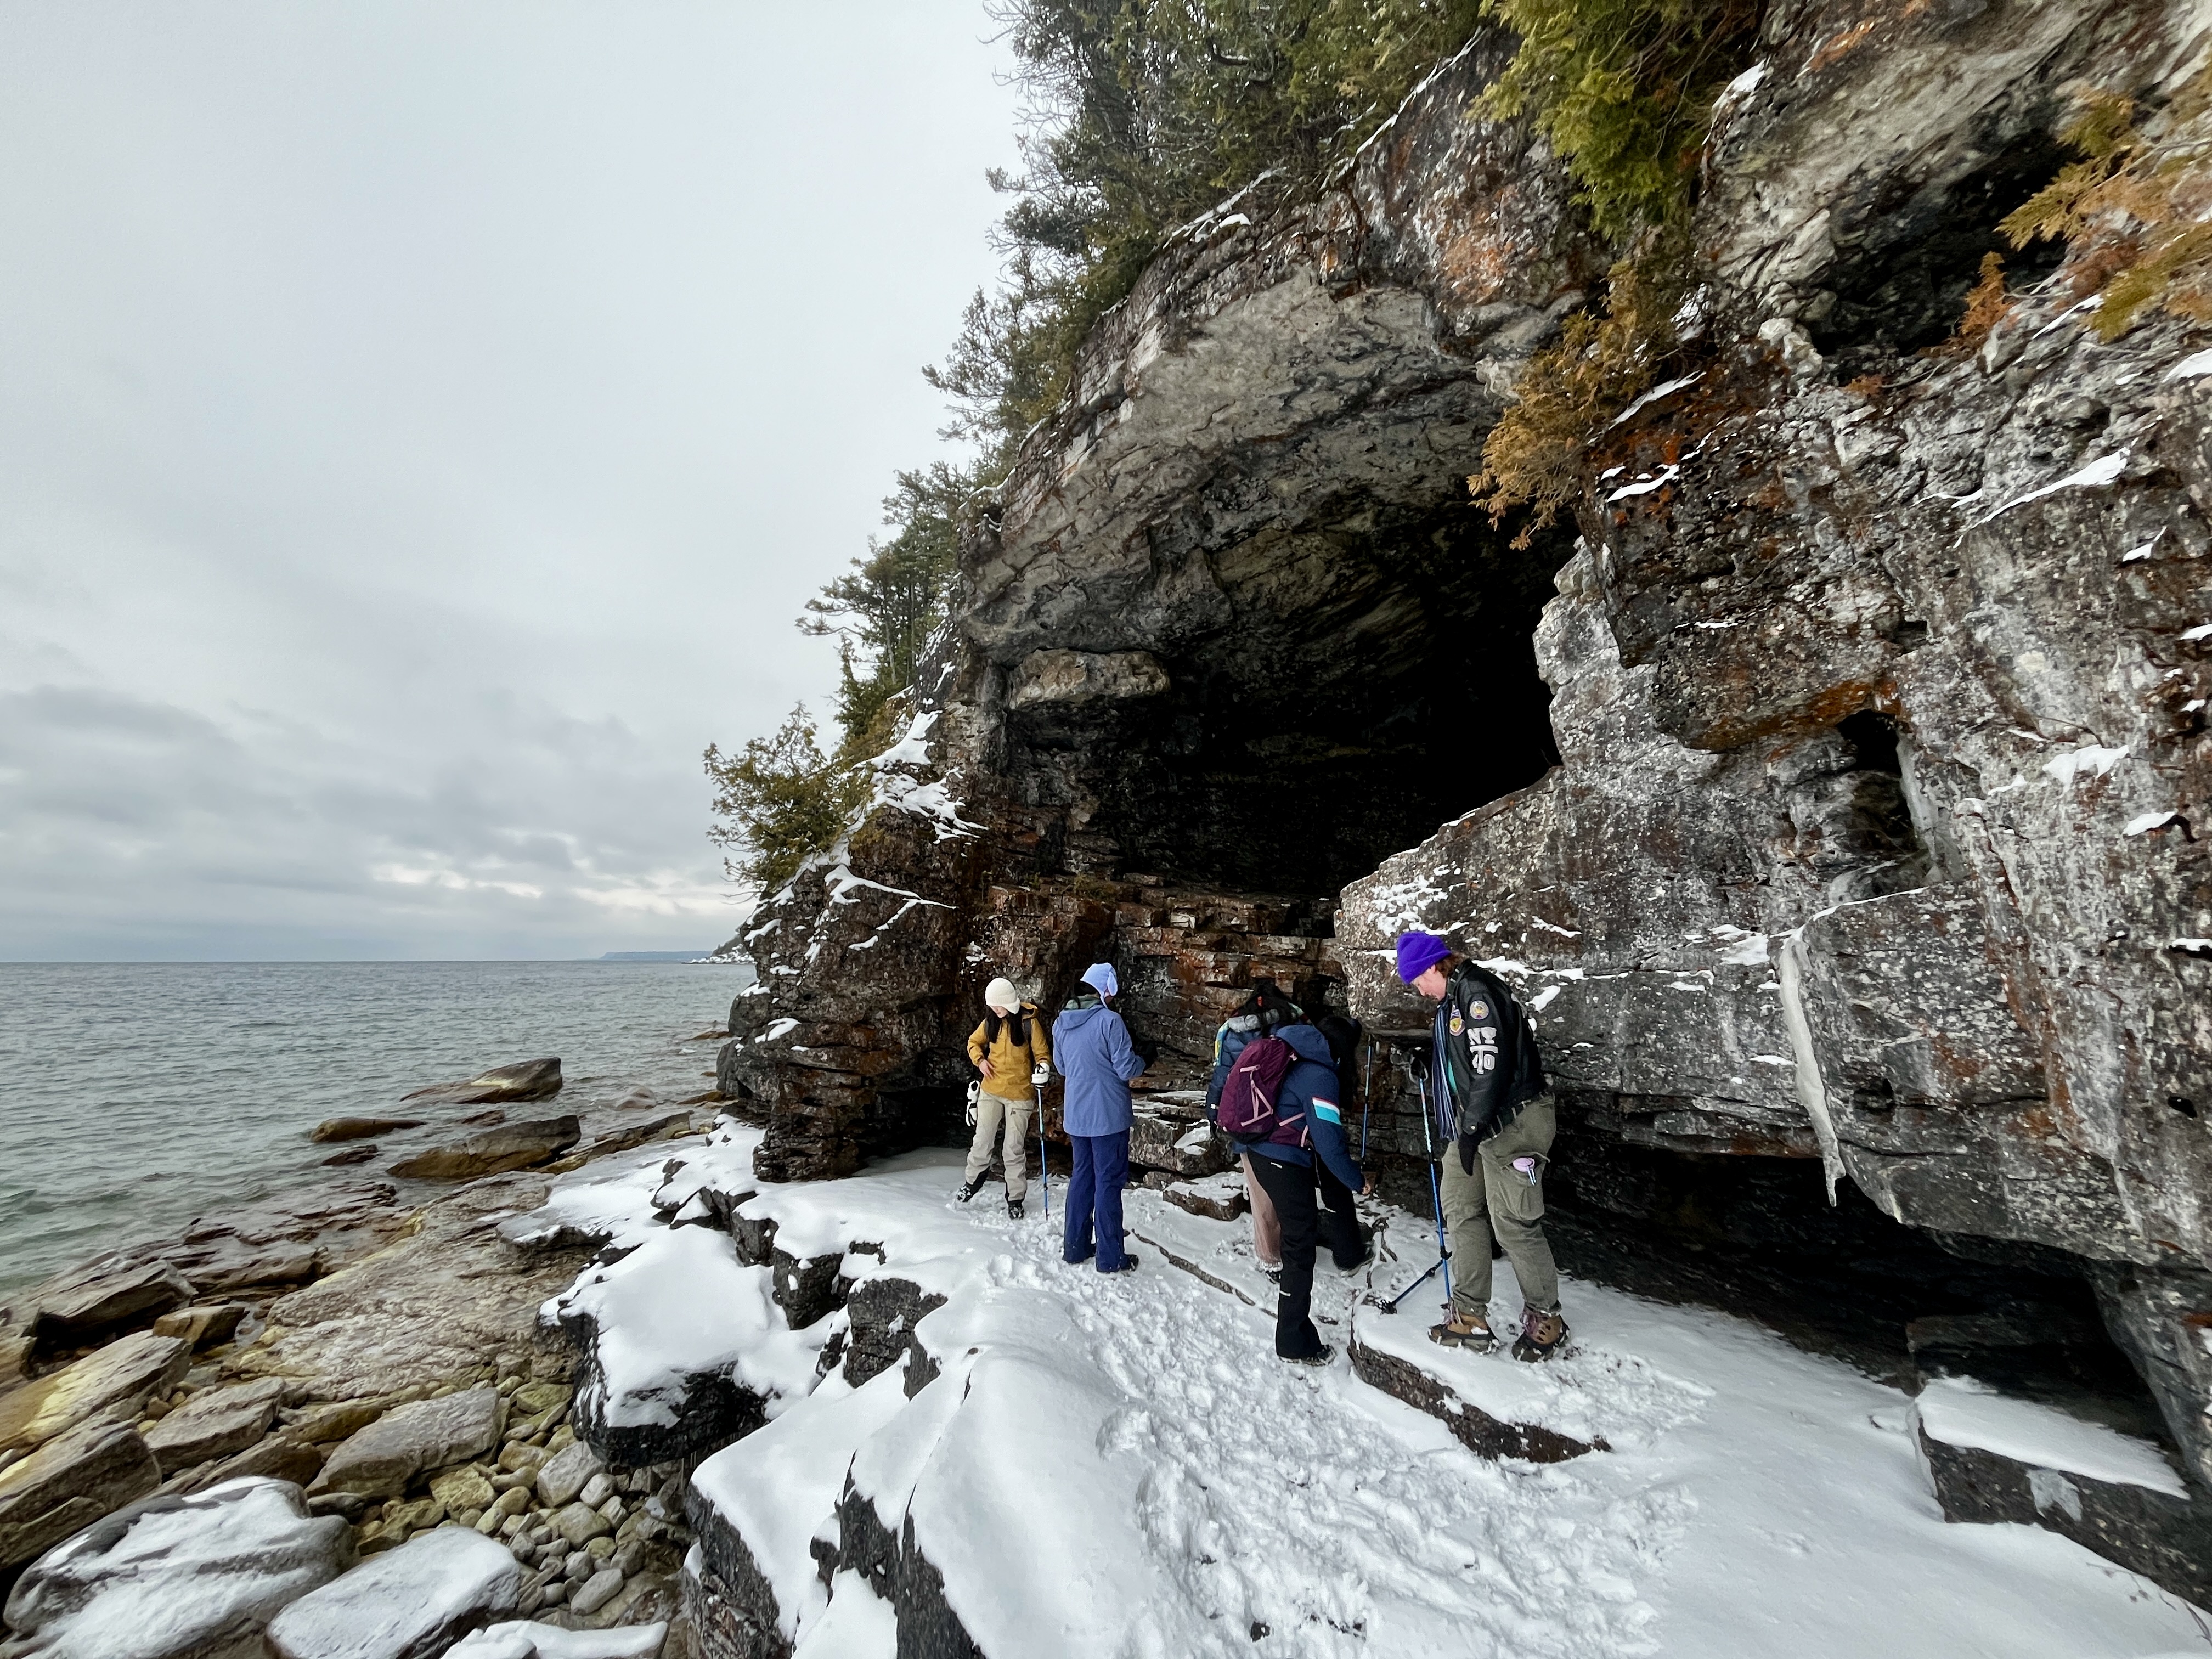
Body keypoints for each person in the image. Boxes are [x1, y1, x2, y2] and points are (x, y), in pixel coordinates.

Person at [1395, 929, 1565, 1361]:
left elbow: (1491, 1065)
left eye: (1419, 981)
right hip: (1473, 1124)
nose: (1421, 991)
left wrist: (1471, 1129)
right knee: (1460, 1207)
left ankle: (1547, 1318)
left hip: (1512, 1122)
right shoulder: (1452, 1001)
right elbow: (1466, 1059)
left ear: (1435, 966)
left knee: (1513, 1223)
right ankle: (1470, 1315)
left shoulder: (1477, 993)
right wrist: (1432, 1063)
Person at [1233, 1020, 1373, 1365]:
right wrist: (1358, 1182)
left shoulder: (1291, 1055)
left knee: (1298, 1239)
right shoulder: (1320, 1077)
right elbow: (1330, 1146)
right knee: (1299, 1247)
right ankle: (1293, 1341)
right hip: (1284, 1162)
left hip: (1261, 1153)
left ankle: (1294, 1334)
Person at [1205, 979, 1304, 1283]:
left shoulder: (1233, 1031)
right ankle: (1292, 1246)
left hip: (1248, 1121)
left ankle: (1269, 1257)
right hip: (1286, 1119)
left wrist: (1213, 1110)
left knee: (1260, 1194)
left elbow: (1223, 1075)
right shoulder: (1293, 1023)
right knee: (1289, 1187)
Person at [1052, 962, 1148, 1273]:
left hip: (1077, 1115)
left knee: (1082, 1177)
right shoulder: (1110, 1021)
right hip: (1108, 1117)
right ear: (1105, 989)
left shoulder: (1061, 1022)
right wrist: (1144, 1059)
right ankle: (1110, 1257)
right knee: (1108, 1182)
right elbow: (1126, 1068)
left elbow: (1062, 1068)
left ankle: (1075, 1247)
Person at [961, 977, 1051, 1218]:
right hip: (990, 1090)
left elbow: (1042, 1054)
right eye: (992, 1005)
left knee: (1013, 1149)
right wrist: (980, 1061)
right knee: (982, 1140)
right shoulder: (990, 1022)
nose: (995, 1009)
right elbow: (973, 1043)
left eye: (998, 1005)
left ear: (1009, 1002)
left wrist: (1042, 1069)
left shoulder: (1029, 1024)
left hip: (1020, 1095)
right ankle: (972, 1182)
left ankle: (1015, 1198)